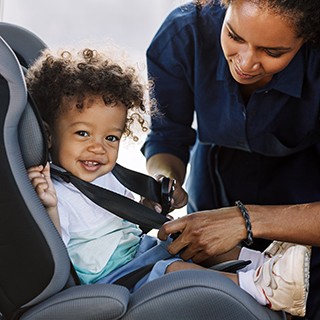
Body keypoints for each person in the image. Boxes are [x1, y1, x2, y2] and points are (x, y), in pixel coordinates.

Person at [25, 47, 309, 317]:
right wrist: (49, 207)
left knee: (195, 238)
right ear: (49, 136)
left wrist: (149, 205)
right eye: (83, 134)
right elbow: (55, 256)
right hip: (114, 276)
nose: (98, 148)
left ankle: (267, 265)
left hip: (139, 252)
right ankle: (259, 286)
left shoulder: (104, 174)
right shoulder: (54, 192)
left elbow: (123, 222)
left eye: (110, 138)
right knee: (175, 272)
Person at [141, 0, 320, 318]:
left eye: (272, 52)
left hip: (307, 209)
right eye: (234, 36)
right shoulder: (185, 34)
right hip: (215, 188)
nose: (246, 63)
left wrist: (244, 220)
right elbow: (167, 137)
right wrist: (162, 180)